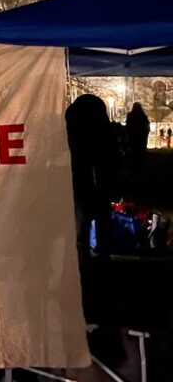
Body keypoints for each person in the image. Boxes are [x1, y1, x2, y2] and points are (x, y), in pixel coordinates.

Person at [66, 94, 120, 263]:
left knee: (84, 219)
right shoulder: (104, 131)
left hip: (82, 180)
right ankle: (102, 253)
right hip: (97, 180)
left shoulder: (75, 131)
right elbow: (113, 157)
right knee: (100, 217)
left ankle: (85, 254)